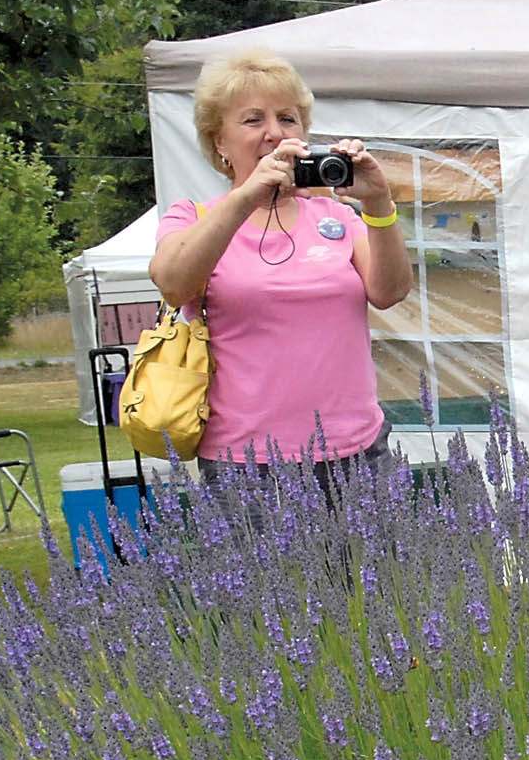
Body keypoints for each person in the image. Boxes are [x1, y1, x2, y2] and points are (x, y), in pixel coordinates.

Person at [149, 49, 412, 486]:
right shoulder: (194, 217)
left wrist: (378, 202)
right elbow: (173, 285)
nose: (274, 133)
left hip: (358, 453)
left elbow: (390, 291)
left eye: (287, 119)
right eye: (253, 120)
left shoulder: (335, 215)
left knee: (380, 559)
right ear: (219, 141)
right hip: (248, 464)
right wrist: (247, 197)